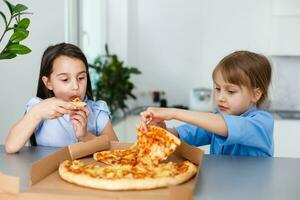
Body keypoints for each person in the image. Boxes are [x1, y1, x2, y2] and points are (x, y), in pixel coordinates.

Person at [140, 50, 273, 157]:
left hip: (252, 189)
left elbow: (225, 126)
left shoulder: (261, 122)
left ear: (256, 94)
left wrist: (173, 112)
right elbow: (189, 133)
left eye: (231, 91)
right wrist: (164, 130)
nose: (220, 97)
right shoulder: (215, 119)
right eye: (218, 89)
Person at [5, 43, 118, 153]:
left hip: (88, 171)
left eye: (81, 77)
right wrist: (36, 113)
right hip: (47, 170)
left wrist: (85, 136)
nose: (75, 86)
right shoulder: (38, 107)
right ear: (48, 82)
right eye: (65, 79)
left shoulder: (97, 111)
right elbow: (11, 147)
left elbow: (116, 151)